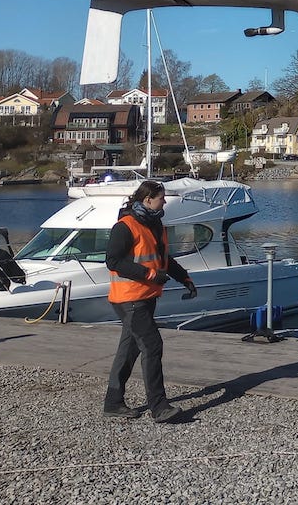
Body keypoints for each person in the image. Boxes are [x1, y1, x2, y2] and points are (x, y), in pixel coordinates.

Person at [103, 179, 197, 422]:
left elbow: (163, 259)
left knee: (129, 349)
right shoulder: (125, 226)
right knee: (152, 345)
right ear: (147, 200)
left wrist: (184, 278)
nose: (164, 201)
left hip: (146, 297)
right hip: (130, 299)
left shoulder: (156, 224)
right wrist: (149, 274)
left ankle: (113, 403)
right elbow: (113, 261)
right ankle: (159, 407)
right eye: (161, 198)